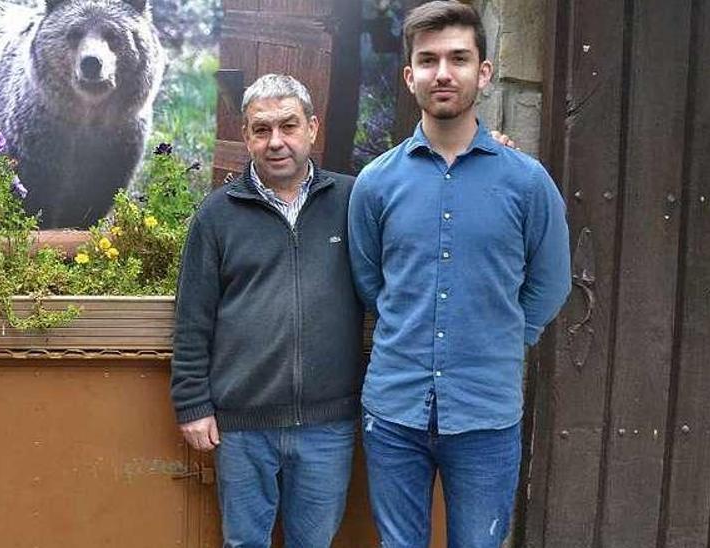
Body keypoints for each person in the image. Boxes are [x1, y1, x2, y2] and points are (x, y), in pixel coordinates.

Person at [346, 2, 572, 546]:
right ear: (409, 77)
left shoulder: (527, 183)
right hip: (395, 411)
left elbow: (551, 281)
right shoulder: (375, 184)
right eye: (428, 60)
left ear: (484, 73)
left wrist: (508, 338)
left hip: (486, 415)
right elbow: (369, 280)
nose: (442, 72)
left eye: (458, 58)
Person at [170, 73, 365, 548]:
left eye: (288, 126)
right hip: (241, 427)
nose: (276, 141)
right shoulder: (216, 215)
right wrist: (192, 403)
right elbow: (193, 318)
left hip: (328, 423)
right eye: (262, 129)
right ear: (246, 135)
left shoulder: (354, 200)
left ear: (312, 128)